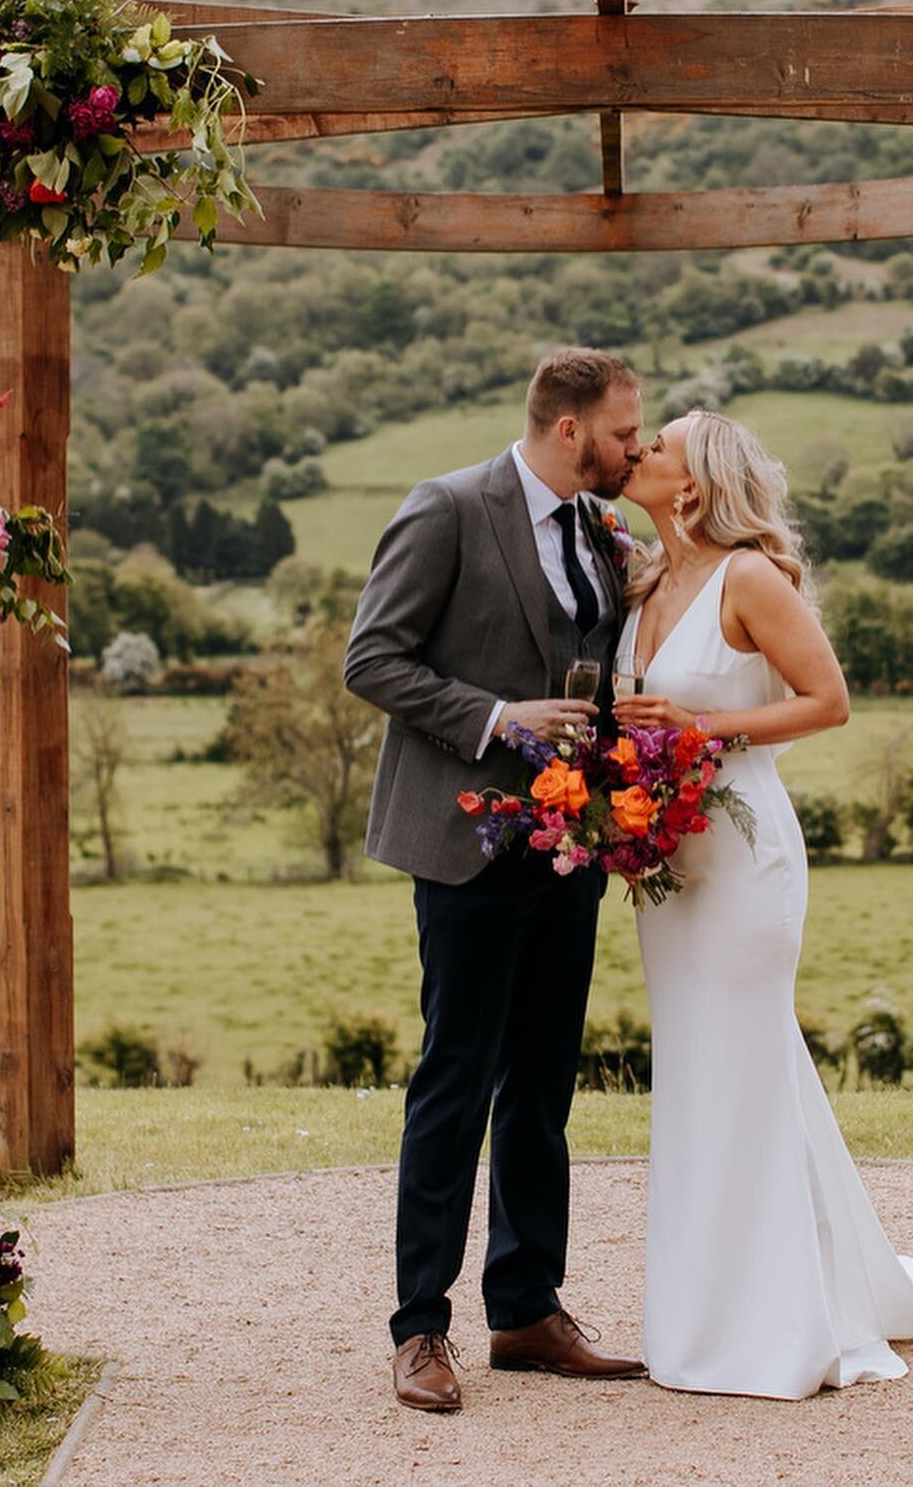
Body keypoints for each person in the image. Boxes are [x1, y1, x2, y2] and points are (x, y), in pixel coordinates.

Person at [613, 408, 913, 1398]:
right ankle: (713, 1311)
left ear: (693, 482)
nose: (636, 452)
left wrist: (700, 726)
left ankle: (777, 1327)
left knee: (745, 1066)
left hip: (745, 856)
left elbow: (828, 700)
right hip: (669, 864)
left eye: (656, 446)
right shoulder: (646, 579)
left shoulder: (749, 577)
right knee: (702, 1076)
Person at [344, 347, 649, 1413]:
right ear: (569, 429)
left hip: (568, 846)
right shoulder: (448, 509)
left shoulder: (599, 533)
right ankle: (419, 1329)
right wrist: (495, 717)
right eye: (623, 433)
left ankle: (524, 1309)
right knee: (455, 1080)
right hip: (463, 845)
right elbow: (371, 659)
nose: (635, 450)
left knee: (543, 1084)